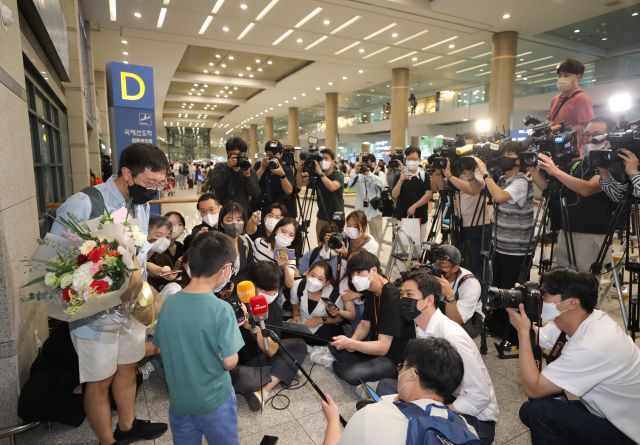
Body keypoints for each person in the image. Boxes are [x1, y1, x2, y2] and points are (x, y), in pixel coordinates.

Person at [51, 143, 169, 445]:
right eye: (150, 182)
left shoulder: (140, 204)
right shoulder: (84, 203)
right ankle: (107, 441)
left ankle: (127, 427)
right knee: (99, 379)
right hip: (93, 313)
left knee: (128, 365)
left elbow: (136, 252)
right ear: (127, 173)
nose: (155, 190)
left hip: (129, 306)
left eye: (160, 183)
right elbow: (56, 260)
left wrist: (149, 270)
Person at [508, 268, 640, 445]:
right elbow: (544, 338)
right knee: (530, 410)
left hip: (628, 433)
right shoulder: (588, 318)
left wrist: (523, 333)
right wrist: (523, 304)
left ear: (571, 303)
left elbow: (534, 388)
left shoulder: (593, 344)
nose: (541, 298)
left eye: (545, 294)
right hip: (610, 414)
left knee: (540, 412)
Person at [377, 269, 498, 444]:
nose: (403, 300)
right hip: (441, 393)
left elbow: (480, 396)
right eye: (401, 294)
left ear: (429, 299)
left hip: (475, 418)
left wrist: (438, 411)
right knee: (387, 387)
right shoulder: (422, 327)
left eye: (409, 294)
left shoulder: (452, 337)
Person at [153, 231, 244, 445]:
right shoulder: (222, 310)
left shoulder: (169, 304)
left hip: (180, 401)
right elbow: (230, 362)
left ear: (188, 265)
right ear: (226, 269)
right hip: (215, 402)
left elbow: (159, 346)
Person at [321, 338, 479, 445]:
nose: (400, 372)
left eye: (402, 367)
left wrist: (333, 419)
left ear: (412, 374)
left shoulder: (371, 415)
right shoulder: (467, 430)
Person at [530, 117, 616, 273]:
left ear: (610, 137)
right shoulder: (578, 163)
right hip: (566, 232)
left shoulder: (612, 164)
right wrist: (530, 167)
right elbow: (549, 189)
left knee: (582, 287)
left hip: (591, 236)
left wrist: (554, 170)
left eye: (596, 134)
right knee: (561, 284)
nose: (590, 139)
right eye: (587, 134)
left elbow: (588, 189)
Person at [474, 141, 534, 354]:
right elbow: (486, 188)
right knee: (499, 287)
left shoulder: (522, 181)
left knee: (512, 293)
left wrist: (485, 173)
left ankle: (514, 335)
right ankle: (499, 328)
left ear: (519, 160)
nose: (505, 158)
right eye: (504, 154)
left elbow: (499, 196)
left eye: (509, 154)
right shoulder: (503, 178)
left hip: (517, 248)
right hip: (500, 245)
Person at [330, 251, 414, 386]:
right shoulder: (371, 291)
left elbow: (383, 348)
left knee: (351, 375)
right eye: (352, 274)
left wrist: (351, 344)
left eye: (359, 273)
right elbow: (364, 324)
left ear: (373, 270)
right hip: (376, 349)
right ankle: (357, 364)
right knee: (334, 345)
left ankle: (352, 366)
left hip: (394, 358)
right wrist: (353, 340)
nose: (354, 278)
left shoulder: (392, 297)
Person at [232, 261, 307, 411]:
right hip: (239, 365)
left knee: (299, 344)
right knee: (236, 377)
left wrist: (255, 329)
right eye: (267, 290)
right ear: (252, 285)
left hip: (262, 358)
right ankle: (284, 370)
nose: (272, 294)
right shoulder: (236, 305)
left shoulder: (274, 309)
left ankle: (263, 391)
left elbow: (271, 350)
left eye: (276, 290)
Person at [432, 135, 494, 282]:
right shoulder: (454, 168)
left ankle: (480, 295)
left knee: (477, 264)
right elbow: (440, 187)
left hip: (478, 224)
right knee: (462, 262)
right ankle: (463, 289)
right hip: (459, 223)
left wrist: (451, 176)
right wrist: (438, 170)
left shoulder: (476, 165)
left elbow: (473, 189)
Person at [431, 244, 484, 338]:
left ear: (455, 268)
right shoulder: (434, 272)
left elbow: (455, 320)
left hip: (468, 320)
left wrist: (449, 295)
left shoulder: (470, 285)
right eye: (436, 264)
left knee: (449, 335)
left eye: (441, 265)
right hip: (443, 310)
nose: (437, 268)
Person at [290, 262, 346, 344]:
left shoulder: (334, 296)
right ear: (307, 273)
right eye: (312, 275)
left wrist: (321, 320)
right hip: (302, 322)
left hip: (323, 326)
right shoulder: (298, 285)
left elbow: (339, 319)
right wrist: (296, 314)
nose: (314, 281)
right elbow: (295, 303)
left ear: (327, 282)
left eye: (320, 279)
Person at [296, 148, 344, 242]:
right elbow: (299, 184)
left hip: (336, 218)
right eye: (322, 159)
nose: (323, 161)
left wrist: (320, 172)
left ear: (333, 162)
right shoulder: (317, 176)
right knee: (321, 244)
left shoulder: (338, 175)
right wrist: (299, 171)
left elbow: (332, 187)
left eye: (326, 158)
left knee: (334, 246)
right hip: (321, 217)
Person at [207, 137, 261, 215]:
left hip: (242, 213)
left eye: (239, 154)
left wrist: (247, 176)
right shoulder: (220, 167)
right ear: (228, 154)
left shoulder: (249, 170)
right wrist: (228, 167)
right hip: (222, 211)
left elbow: (256, 193)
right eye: (234, 154)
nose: (237, 157)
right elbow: (214, 184)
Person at [547, 59, 594, 141]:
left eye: (566, 75)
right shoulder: (556, 99)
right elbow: (549, 121)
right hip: (553, 145)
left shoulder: (581, 98)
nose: (561, 79)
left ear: (578, 77)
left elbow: (586, 125)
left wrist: (564, 135)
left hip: (571, 147)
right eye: (560, 76)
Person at [252, 216, 302, 290]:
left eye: (291, 235)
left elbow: (290, 284)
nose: (285, 236)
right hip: (253, 288)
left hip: (272, 294)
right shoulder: (259, 242)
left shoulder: (289, 255)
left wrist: (285, 267)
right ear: (276, 230)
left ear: (294, 239)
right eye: (283, 231)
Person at [348, 154, 386, 244]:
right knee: (358, 239)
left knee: (375, 240)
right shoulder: (359, 176)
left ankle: (374, 257)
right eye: (363, 163)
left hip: (374, 212)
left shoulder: (379, 173)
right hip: (360, 211)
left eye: (367, 163)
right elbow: (350, 186)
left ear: (373, 163)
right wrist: (355, 172)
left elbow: (382, 184)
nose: (365, 165)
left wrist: (369, 175)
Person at [253, 140, 296, 217]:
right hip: (262, 208)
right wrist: (262, 168)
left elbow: (289, 191)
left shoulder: (286, 167)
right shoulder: (259, 165)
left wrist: (282, 175)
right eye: (269, 155)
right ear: (265, 154)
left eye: (275, 155)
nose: (272, 158)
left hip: (281, 209)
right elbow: (253, 184)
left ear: (281, 154)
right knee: (260, 228)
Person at [391, 146, 433, 227]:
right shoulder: (399, 175)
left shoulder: (424, 175)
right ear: (405, 160)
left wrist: (414, 207)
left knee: (419, 239)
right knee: (403, 239)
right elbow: (394, 195)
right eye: (409, 159)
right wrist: (400, 181)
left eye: (414, 159)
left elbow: (428, 195)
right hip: (402, 217)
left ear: (419, 160)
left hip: (421, 217)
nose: (412, 161)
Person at [218, 202, 255, 286]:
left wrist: (233, 283)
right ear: (222, 224)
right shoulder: (216, 244)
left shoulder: (245, 241)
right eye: (229, 220)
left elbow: (250, 270)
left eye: (239, 220)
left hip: (239, 291)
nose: (235, 224)